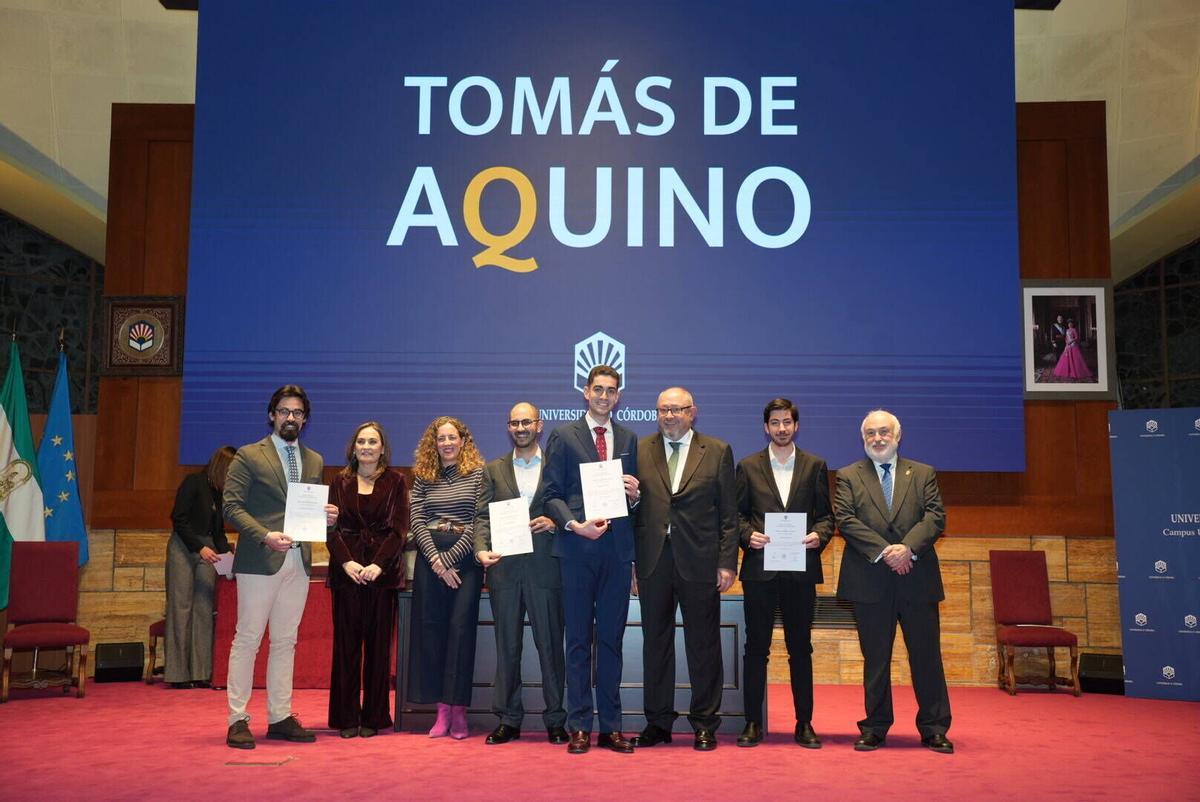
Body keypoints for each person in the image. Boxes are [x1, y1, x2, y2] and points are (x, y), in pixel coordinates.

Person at [223, 385, 338, 750]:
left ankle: (279, 716)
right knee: (248, 639)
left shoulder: (315, 460)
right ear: (271, 415)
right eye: (284, 411)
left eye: (298, 413)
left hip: (299, 560)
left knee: (286, 641)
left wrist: (329, 518)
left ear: (305, 419)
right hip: (260, 558)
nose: (291, 417)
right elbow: (231, 507)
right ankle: (237, 719)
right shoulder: (248, 455)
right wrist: (264, 535)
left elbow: (310, 510)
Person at [835, 409, 953, 754]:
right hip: (869, 581)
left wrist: (908, 549)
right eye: (870, 433)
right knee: (875, 659)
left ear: (897, 436)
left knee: (927, 657)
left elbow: (936, 516)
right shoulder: (848, 476)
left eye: (884, 432)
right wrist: (887, 551)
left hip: (916, 579)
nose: (877, 438)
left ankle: (934, 728)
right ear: (863, 438)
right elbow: (845, 518)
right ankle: (874, 727)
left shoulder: (923, 473)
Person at [631, 387, 737, 752]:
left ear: (693, 412)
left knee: (703, 645)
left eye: (676, 409)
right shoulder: (640, 449)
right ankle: (658, 723)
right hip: (653, 561)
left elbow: (728, 515)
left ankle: (704, 723)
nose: (669, 416)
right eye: (663, 410)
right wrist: (632, 563)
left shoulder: (718, 451)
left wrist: (727, 562)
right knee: (655, 645)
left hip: (701, 562)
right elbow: (632, 511)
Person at [542, 365, 640, 755]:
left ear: (618, 396)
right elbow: (550, 494)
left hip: (616, 554)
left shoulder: (631, 438)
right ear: (585, 392)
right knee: (579, 640)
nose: (604, 396)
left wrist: (635, 496)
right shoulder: (564, 436)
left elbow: (634, 502)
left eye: (611, 391)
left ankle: (611, 727)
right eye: (597, 389)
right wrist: (574, 525)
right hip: (577, 552)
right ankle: (579, 725)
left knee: (612, 641)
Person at [734, 398, 833, 748]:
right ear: (766, 427)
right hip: (760, 571)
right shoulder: (747, 467)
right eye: (774, 422)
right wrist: (748, 536)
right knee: (755, 648)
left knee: (800, 648)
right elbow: (738, 517)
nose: (781, 428)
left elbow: (827, 517)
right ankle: (751, 723)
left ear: (796, 425)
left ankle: (804, 722)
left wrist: (818, 535)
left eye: (787, 422)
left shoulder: (815, 466)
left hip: (799, 571)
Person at [474, 402, 567, 746]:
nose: (520, 427)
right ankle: (508, 719)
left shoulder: (557, 466)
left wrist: (556, 522)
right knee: (507, 647)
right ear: (508, 428)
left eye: (526, 421)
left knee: (550, 647)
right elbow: (482, 516)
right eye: (514, 423)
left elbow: (572, 505)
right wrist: (481, 548)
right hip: (505, 570)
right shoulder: (493, 469)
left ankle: (556, 719)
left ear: (539, 425)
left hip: (546, 569)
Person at [327, 422, 408, 738]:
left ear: (382, 447)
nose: (366, 446)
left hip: (382, 576)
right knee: (346, 648)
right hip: (346, 574)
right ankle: (346, 718)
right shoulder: (338, 481)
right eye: (361, 441)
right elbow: (330, 529)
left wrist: (377, 565)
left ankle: (374, 717)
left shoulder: (397, 481)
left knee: (378, 650)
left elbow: (399, 530)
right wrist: (347, 561)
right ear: (353, 446)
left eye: (372, 441)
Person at [407, 416, 485, 740]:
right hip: (430, 561)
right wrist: (437, 562)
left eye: (453, 437)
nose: (447, 443)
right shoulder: (424, 475)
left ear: (463, 441)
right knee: (432, 633)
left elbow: (479, 520)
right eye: (441, 439)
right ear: (434, 443)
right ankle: (440, 710)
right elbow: (417, 518)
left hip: (465, 564)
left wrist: (451, 559)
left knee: (460, 632)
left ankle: (459, 710)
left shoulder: (479, 475)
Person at [165, 445, 236, 689]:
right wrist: (199, 548)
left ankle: (201, 672)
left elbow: (218, 534)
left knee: (204, 609)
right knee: (180, 607)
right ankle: (177, 674)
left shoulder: (219, 493)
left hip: (209, 553)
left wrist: (228, 554)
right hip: (184, 548)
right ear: (221, 468)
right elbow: (179, 519)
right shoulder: (193, 482)